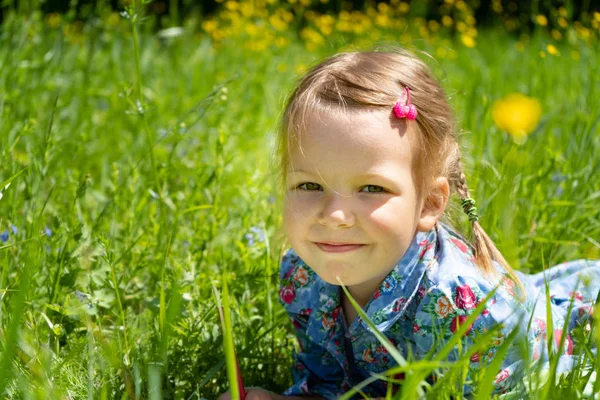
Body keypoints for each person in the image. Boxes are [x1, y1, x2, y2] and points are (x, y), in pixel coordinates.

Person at [218, 48, 599, 399]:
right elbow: (332, 385)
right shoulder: (302, 275)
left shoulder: (466, 313)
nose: (334, 215)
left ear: (429, 203)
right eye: (309, 185)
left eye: (371, 187)